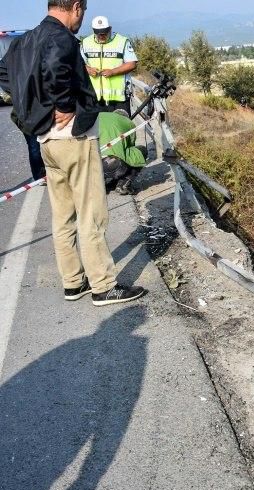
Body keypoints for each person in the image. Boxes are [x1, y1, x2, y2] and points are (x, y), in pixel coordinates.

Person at [0, 0, 146, 306]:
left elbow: (5, 73)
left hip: (46, 141)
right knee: (92, 212)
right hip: (73, 138)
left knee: (63, 214)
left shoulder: (24, 40)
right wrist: (64, 106)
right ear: (76, 7)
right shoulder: (62, 38)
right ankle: (103, 286)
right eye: (84, 12)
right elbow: (55, 70)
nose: (82, 19)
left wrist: (33, 108)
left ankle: (73, 283)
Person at [81, 16, 137, 113]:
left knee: (120, 127)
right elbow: (79, 63)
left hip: (119, 98)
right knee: (97, 128)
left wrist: (113, 72)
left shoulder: (122, 41)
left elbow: (132, 63)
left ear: (110, 29)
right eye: (98, 34)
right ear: (93, 31)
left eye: (104, 33)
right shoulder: (86, 43)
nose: (102, 36)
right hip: (94, 98)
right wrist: (88, 69)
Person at [100, 109, 146, 195]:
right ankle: (123, 184)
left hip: (92, 164)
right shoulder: (129, 123)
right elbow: (130, 146)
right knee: (140, 151)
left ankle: (101, 184)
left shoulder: (100, 116)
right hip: (113, 163)